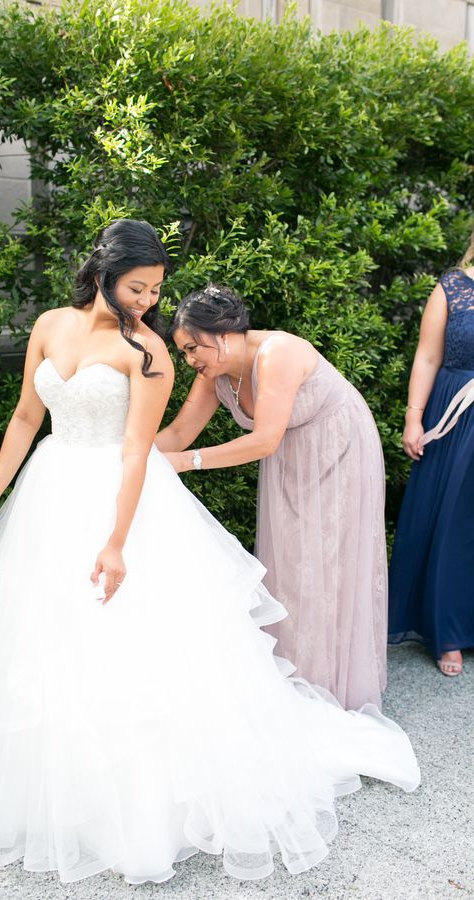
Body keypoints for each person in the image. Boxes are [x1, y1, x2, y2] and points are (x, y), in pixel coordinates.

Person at [0, 223, 419, 886]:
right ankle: (64, 789)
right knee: (52, 641)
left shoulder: (151, 351)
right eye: (138, 287)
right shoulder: (50, 325)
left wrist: (115, 540)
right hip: (50, 492)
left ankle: (144, 808)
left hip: (122, 499)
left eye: (156, 291)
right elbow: (25, 416)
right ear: (103, 270)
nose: (145, 301)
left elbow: (140, 448)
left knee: (138, 647)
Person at [158, 285, 388, 711]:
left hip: (340, 447)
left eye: (193, 348)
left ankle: (336, 689)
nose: (190, 360)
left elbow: (263, 440)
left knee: (330, 563)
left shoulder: (276, 353)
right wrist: (130, 460)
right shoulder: (215, 375)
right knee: (289, 564)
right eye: (184, 352)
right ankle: (296, 680)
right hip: (290, 457)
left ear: (223, 334)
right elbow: (177, 434)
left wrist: (183, 463)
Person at [388, 240, 474, 676]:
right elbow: (427, 355)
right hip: (455, 414)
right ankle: (449, 631)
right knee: (454, 522)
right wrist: (414, 417)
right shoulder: (453, 286)